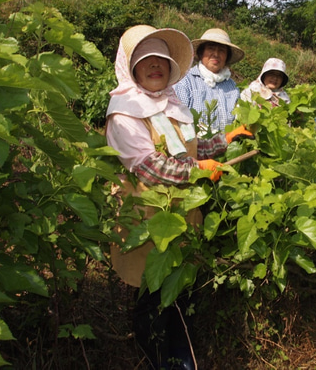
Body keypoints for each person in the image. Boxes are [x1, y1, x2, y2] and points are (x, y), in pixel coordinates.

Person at [105, 24, 252, 370]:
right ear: (131, 67)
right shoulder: (124, 112)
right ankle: (159, 359)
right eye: (147, 60)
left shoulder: (171, 103)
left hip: (182, 214)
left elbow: (190, 148)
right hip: (148, 218)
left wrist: (226, 139)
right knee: (151, 292)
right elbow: (149, 166)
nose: (156, 66)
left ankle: (180, 355)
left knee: (178, 289)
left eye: (162, 60)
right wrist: (199, 170)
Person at [173, 28, 245, 135]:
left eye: (221, 50)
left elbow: (239, 119)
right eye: (211, 48)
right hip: (195, 146)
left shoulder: (232, 86)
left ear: (227, 57)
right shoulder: (186, 81)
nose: (216, 54)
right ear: (201, 53)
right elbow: (178, 121)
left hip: (229, 147)